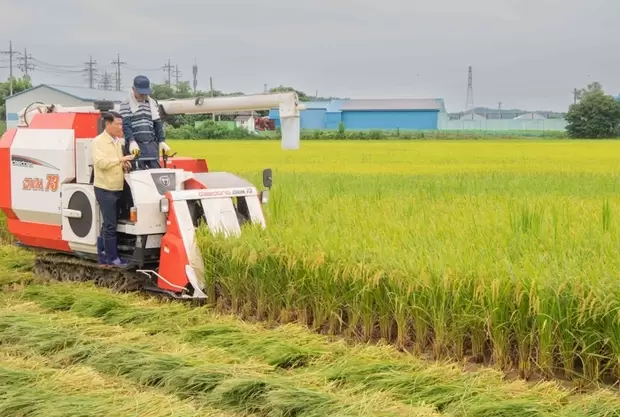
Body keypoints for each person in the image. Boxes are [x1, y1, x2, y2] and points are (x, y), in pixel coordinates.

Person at [92, 111, 135, 267]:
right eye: (117, 124)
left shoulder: (118, 141)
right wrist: (121, 159)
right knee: (110, 224)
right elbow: (101, 163)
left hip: (118, 186)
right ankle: (112, 258)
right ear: (107, 124)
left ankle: (103, 255)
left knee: (110, 223)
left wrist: (124, 164)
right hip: (105, 188)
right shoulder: (98, 142)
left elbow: (115, 162)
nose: (120, 127)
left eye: (121, 124)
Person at [119, 75, 172, 169]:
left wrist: (161, 141)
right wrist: (131, 141)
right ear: (133, 89)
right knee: (138, 172)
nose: (143, 96)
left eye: (145, 93)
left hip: (151, 143)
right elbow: (126, 125)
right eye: (141, 93)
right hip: (136, 144)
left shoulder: (152, 103)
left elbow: (157, 123)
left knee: (155, 171)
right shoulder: (126, 104)